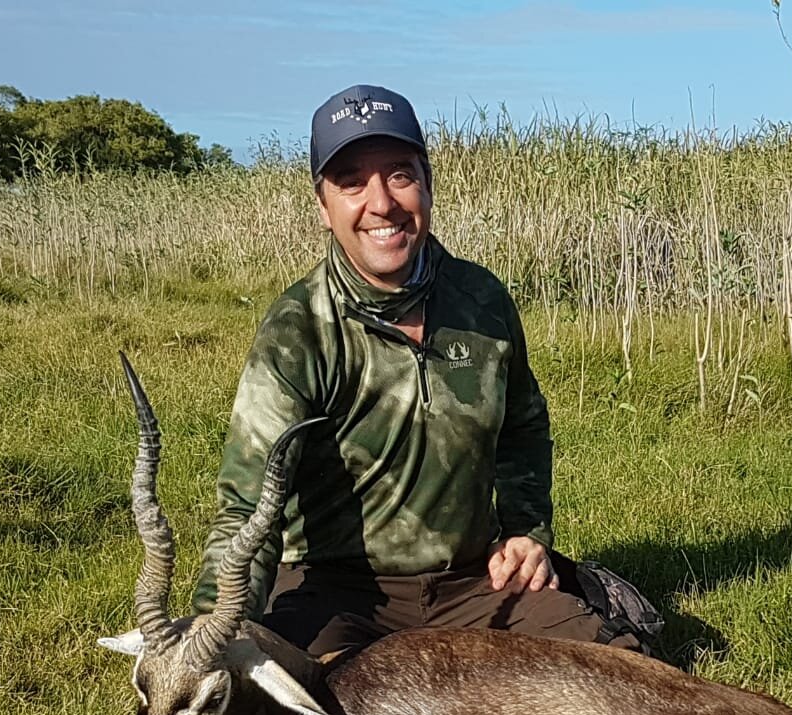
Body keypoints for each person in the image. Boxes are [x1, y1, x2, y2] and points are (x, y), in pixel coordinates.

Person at [192, 84, 647, 665]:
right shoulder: (297, 329)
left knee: (622, 672)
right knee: (300, 709)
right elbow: (245, 505)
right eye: (352, 181)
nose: (380, 203)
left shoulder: (480, 299)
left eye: (400, 175)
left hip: (475, 582)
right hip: (340, 593)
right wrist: (209, 628)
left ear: (427, 185)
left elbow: (523, 428)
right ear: (323, 206)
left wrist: (527, 533)